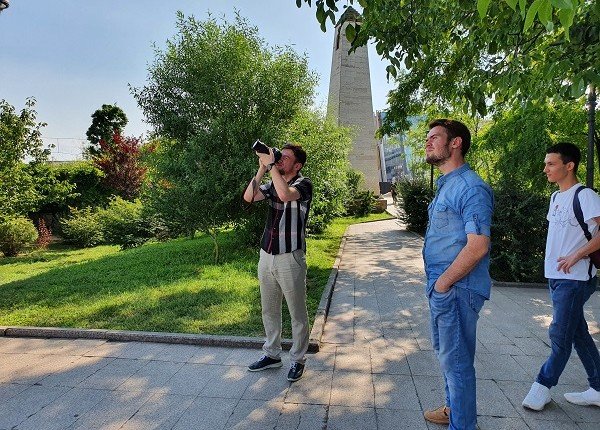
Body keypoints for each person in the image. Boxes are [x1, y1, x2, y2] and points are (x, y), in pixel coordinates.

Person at [422, 119, 494, 429]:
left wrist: (443, 283)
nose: (428, 142)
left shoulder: (470, 186)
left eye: (435, 137)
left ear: (456, 143)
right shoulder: (449, 184)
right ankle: (454, 409)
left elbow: (478, 246)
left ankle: (462, 424)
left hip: (456, 288)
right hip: (445, 288)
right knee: (448, 356)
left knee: (458, 363)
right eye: (427, 138)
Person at [522, 142, 600, 410]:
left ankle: (542, 386)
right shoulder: (556, 198)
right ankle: (598, 388)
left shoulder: (585, 195)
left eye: (551, 163)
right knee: (577, 333)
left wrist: (578, 255)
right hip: (556, 276)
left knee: (560, 333)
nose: (545, 169)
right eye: (546, 163)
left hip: (576, 277)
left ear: (570, 166)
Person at [242, 142, 312, 382]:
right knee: (269, 309)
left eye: (286, 157)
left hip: (290, 256)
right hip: (267, 255)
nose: (281, 159)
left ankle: (298, 360)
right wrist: (262, 168)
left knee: (297, 313)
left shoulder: (304, 184)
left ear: (298, 164)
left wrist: (272, 165)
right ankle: (272, 354)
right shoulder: (272, 182)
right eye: (280, 156)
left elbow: (285, 195)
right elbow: (249, 197)